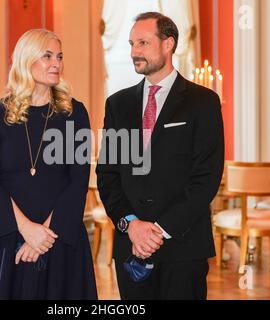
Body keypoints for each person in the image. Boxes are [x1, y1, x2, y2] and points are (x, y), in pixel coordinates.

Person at [0, 29, 97, 299]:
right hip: (9, 234)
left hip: (59, 234)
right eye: (47, 56)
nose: (56, 63)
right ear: (26, 59)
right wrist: (25, 229)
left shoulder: (75, 114)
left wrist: (45, 235)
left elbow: (79, 180)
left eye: (59, 56)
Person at [96, 12, 224, 300]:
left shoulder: (203, 102)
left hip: (184, 245)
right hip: (130, 247)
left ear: (168, 44)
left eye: (142, 42)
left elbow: (206, 177)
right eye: (131, 44)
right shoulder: (118, 104)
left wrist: (160, 230)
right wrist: (132, 225)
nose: (134, 52)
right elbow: (107, 174)